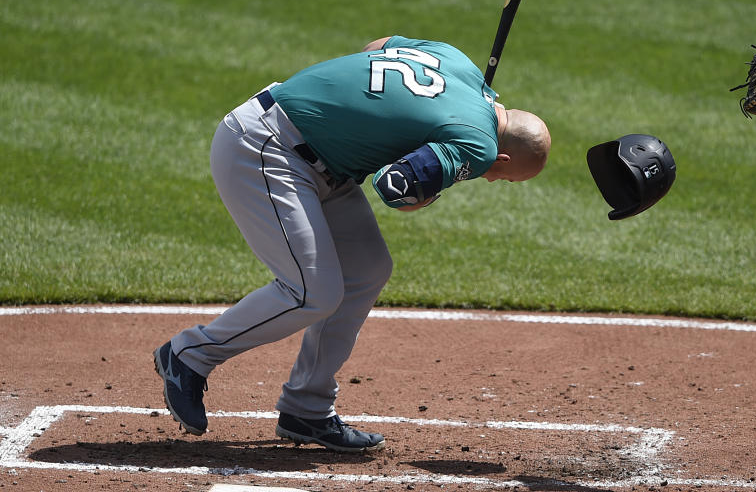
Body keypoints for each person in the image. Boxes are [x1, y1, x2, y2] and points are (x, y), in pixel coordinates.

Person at [153, 35, 550, 452]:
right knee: (310, 292)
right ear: (502, 162)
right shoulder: (481, 147)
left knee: (366, 270)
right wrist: (441, 177)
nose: (492, 178)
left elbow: (375, 46)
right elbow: (395, 188)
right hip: (266, 147)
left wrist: (394, 122)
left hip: (320, 159)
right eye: (501, 178)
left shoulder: (459, 64)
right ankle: (189, 356)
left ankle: (307, 407)